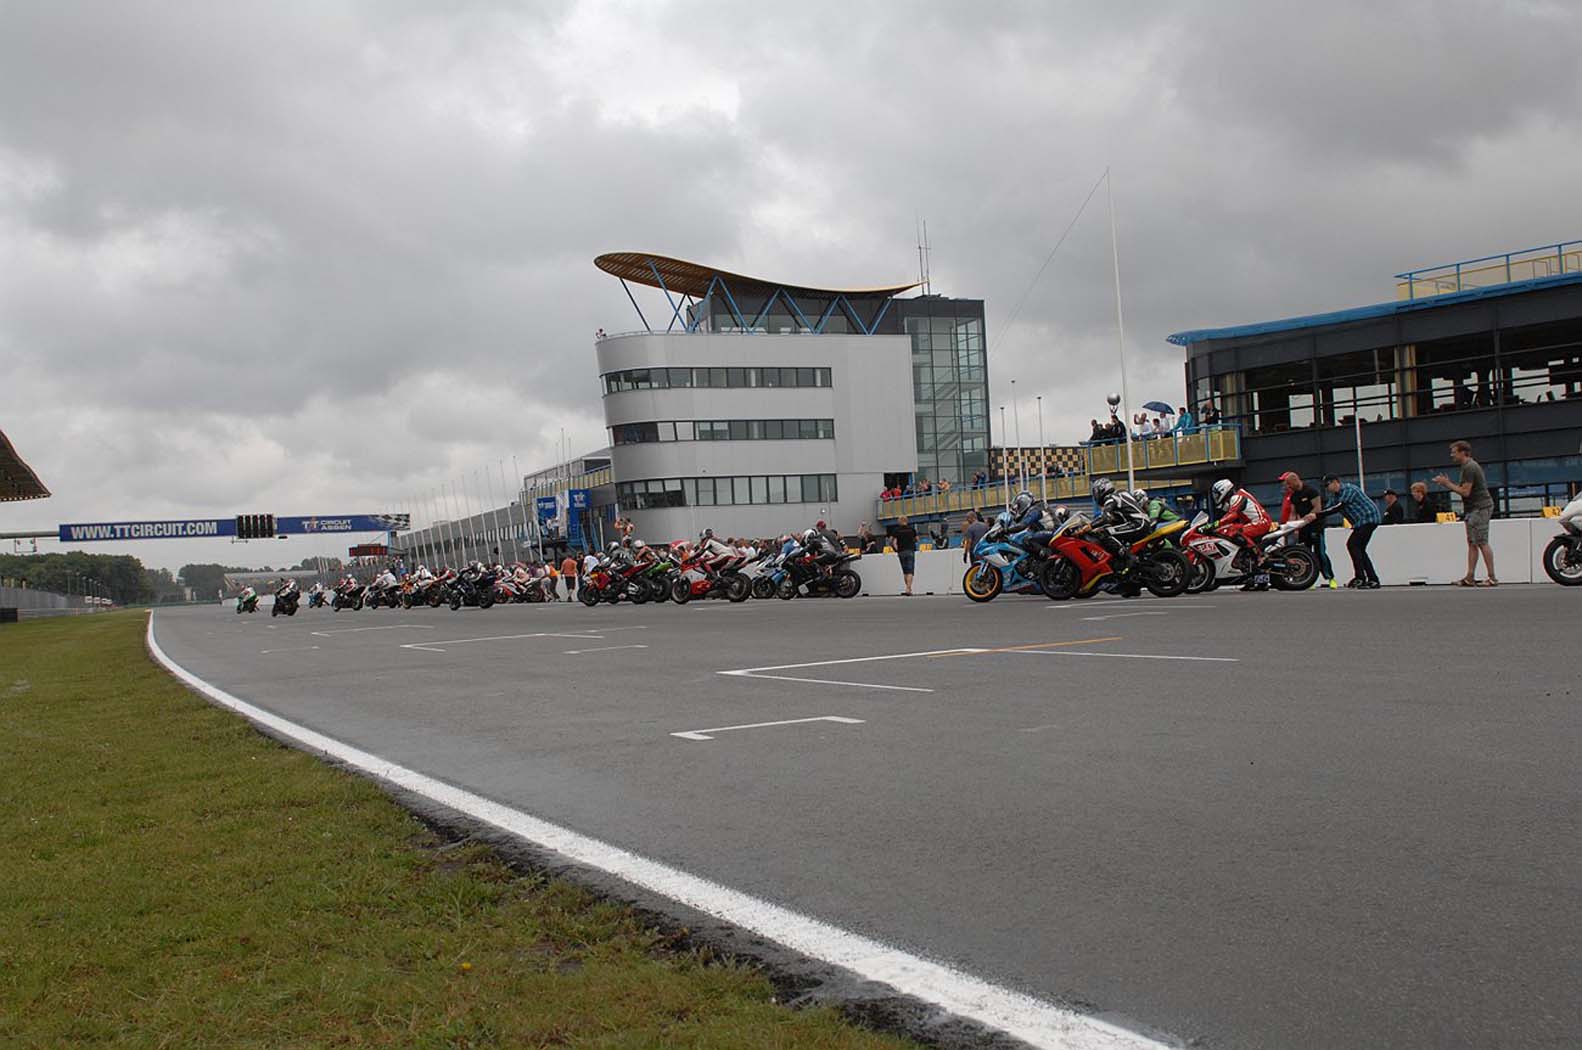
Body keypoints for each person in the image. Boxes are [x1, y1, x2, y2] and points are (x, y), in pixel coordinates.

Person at [1435, 440, 1497, 587]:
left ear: (1463, 452)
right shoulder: (1468, 466)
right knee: (1472, 542)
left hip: (1479, 508)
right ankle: (1470, 576)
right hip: (1474, 508)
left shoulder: (1469, 467)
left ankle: (1492, 577)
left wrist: (1447, 484)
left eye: (1454, 452)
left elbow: (1465, 492)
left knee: (1481, 541)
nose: (1452, 455)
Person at [1208, 478, 1274, 589]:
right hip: (1253, 523)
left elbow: (1231, 516)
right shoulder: (1235, 497)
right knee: (1230, 530)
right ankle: (1251, 573)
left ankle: (1259, 556)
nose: (1216, 497)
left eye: (1217, 494)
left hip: (1261, 523)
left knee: (1234, 531)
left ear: (1224, 490)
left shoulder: (1237, 497)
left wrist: (1214, 525)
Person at [1320, 473, 1382, 588]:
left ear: (1335, 482)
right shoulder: (1335, 496)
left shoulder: (1348, 489)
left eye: (1327, 485)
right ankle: (1371, 578)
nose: (1327, 489)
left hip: (1369, 519)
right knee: (1358, 549)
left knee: (1353, 545)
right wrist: (1316, 515)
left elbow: (1339, 507)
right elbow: (1328, 508)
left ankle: (1361, 577)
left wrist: (1318, 515)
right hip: (1360, 523)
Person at [1278, 471, 1336, 588]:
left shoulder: (1311, 491)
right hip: (1303, 527)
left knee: (1320, 553)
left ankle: (1330, 578)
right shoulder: (1294, 496)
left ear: (1295, 481)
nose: (1288, 487)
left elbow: (1317, 507)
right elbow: (1293, 513)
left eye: (1289, 484)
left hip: (1316, 526)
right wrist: (1291, 526)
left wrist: (1308, 518)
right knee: (1305, 553)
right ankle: (1309, 579)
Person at [887, 515, 919, 595]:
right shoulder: (912, 529)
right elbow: (917, 539)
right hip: (910, 550)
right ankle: (908, 588)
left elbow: (890, 540)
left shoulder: (896, 530)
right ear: (906, 521)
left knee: (905, 571)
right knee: (910, 570)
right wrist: (911, 542)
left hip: (901, 551)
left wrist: (895, 548)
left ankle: (908, 589)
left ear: (899, 521)